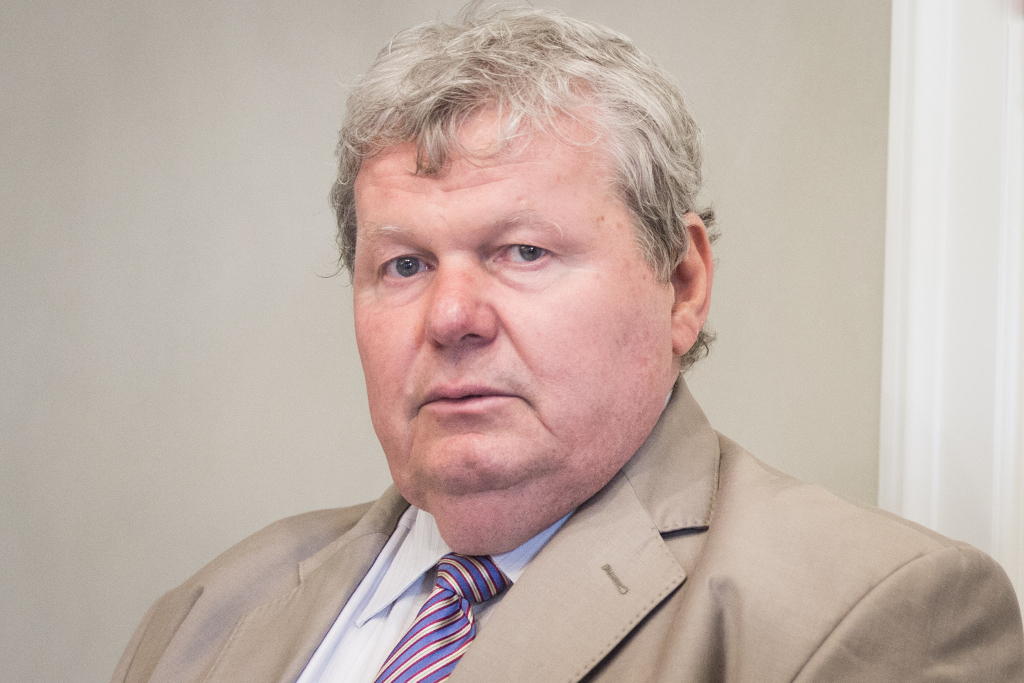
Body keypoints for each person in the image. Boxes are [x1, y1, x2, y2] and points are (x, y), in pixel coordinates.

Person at [112, 6, 1024, 683]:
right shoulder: (203, 617)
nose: (450, 316)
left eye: (523, 252)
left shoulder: (871, 615)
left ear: (682, 282)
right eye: (404, 265)